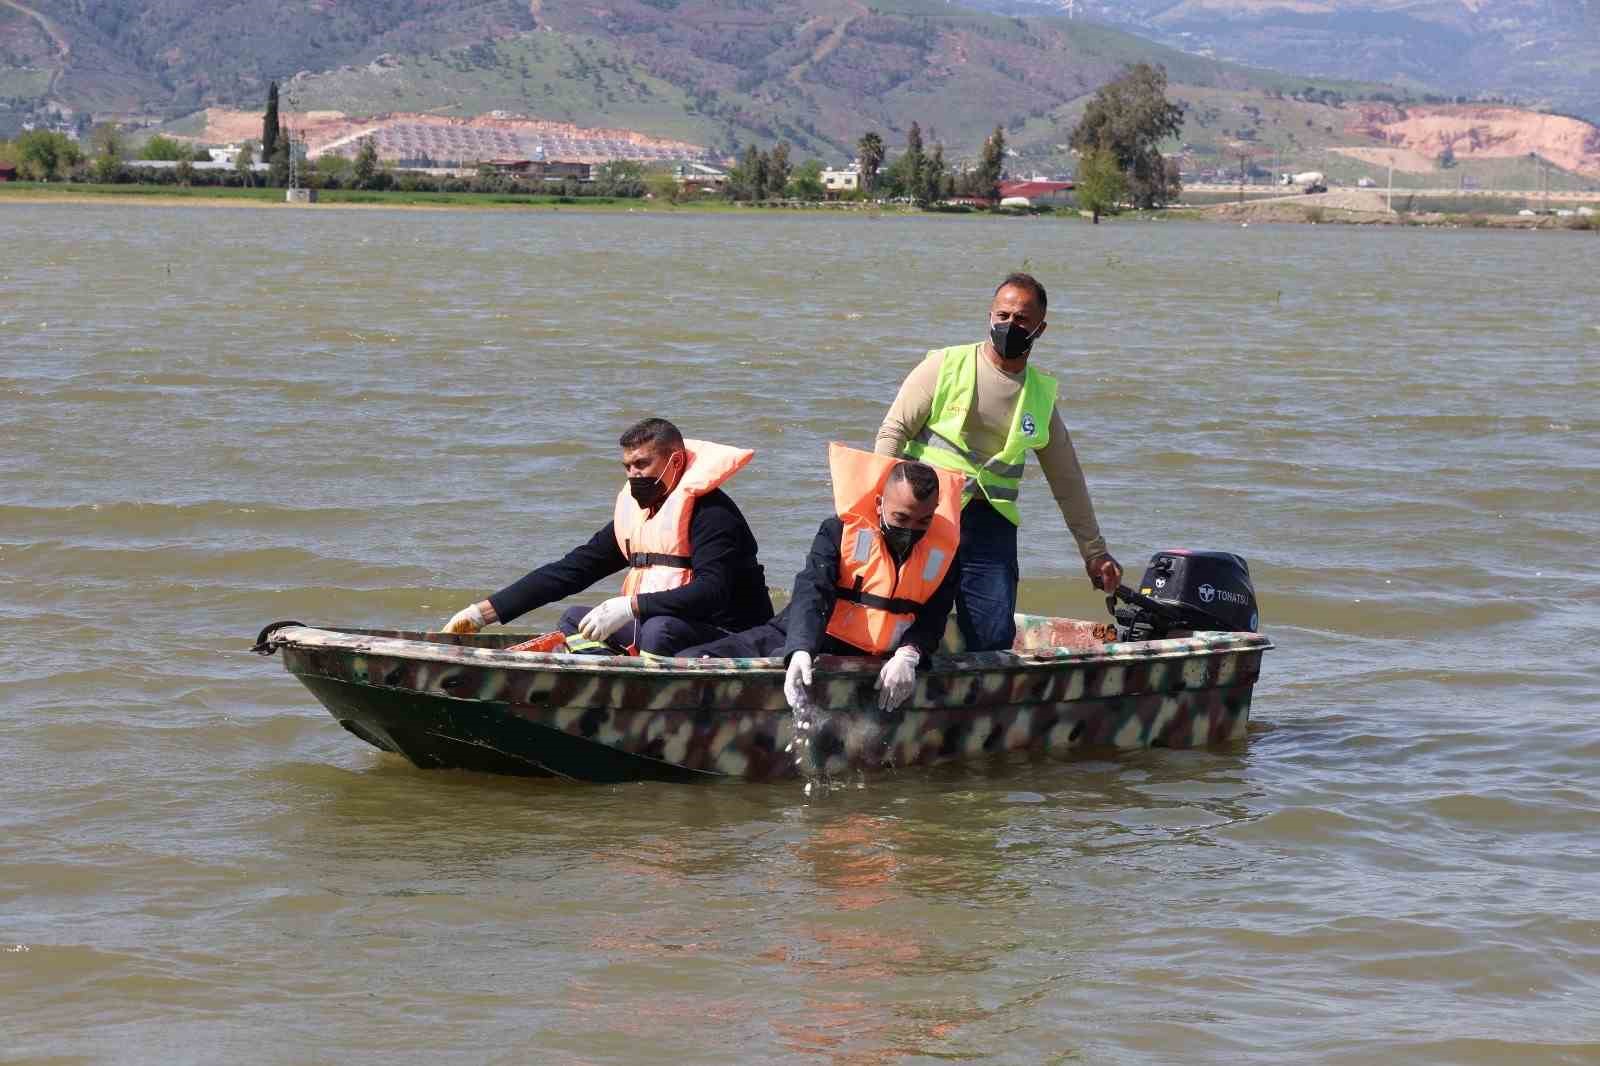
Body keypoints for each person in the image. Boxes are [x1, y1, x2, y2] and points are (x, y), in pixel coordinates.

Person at [875, 271, 1121, 652]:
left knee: (991, 638)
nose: (1009, 325)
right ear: (989, 316)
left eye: (1021, 319)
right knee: (895, 622)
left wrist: (1094, 552)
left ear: (1040, 328)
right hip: (928, 515)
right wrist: (880, 507)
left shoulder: (1040, 396)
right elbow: (893, 433)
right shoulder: (945, 365)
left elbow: (1067, 479)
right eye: (1002, 315)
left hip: (991, 525)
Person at [440, 418, 773, 656]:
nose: (633, 475)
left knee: (659, 631)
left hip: (731, 637)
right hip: (671, 628)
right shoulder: (639, 517)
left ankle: (645, 705)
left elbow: (712, 592)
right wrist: (482, 613)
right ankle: (601, 678)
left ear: (675, 461)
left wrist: (632, 606)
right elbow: (570, 571)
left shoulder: (713, 515)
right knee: (575, 620)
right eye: (627, 467)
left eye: (642, 464)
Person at [680, 445, 964, 713]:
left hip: (870, 656)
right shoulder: (838, 532)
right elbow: (813, 589)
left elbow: (934, 616)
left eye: (923, 522)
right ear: (879, 504)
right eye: (901, 518)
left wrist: (909, 654)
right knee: (694, 659)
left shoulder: (943, 555)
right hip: (808, 633)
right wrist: (801, 649)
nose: (911, 529)